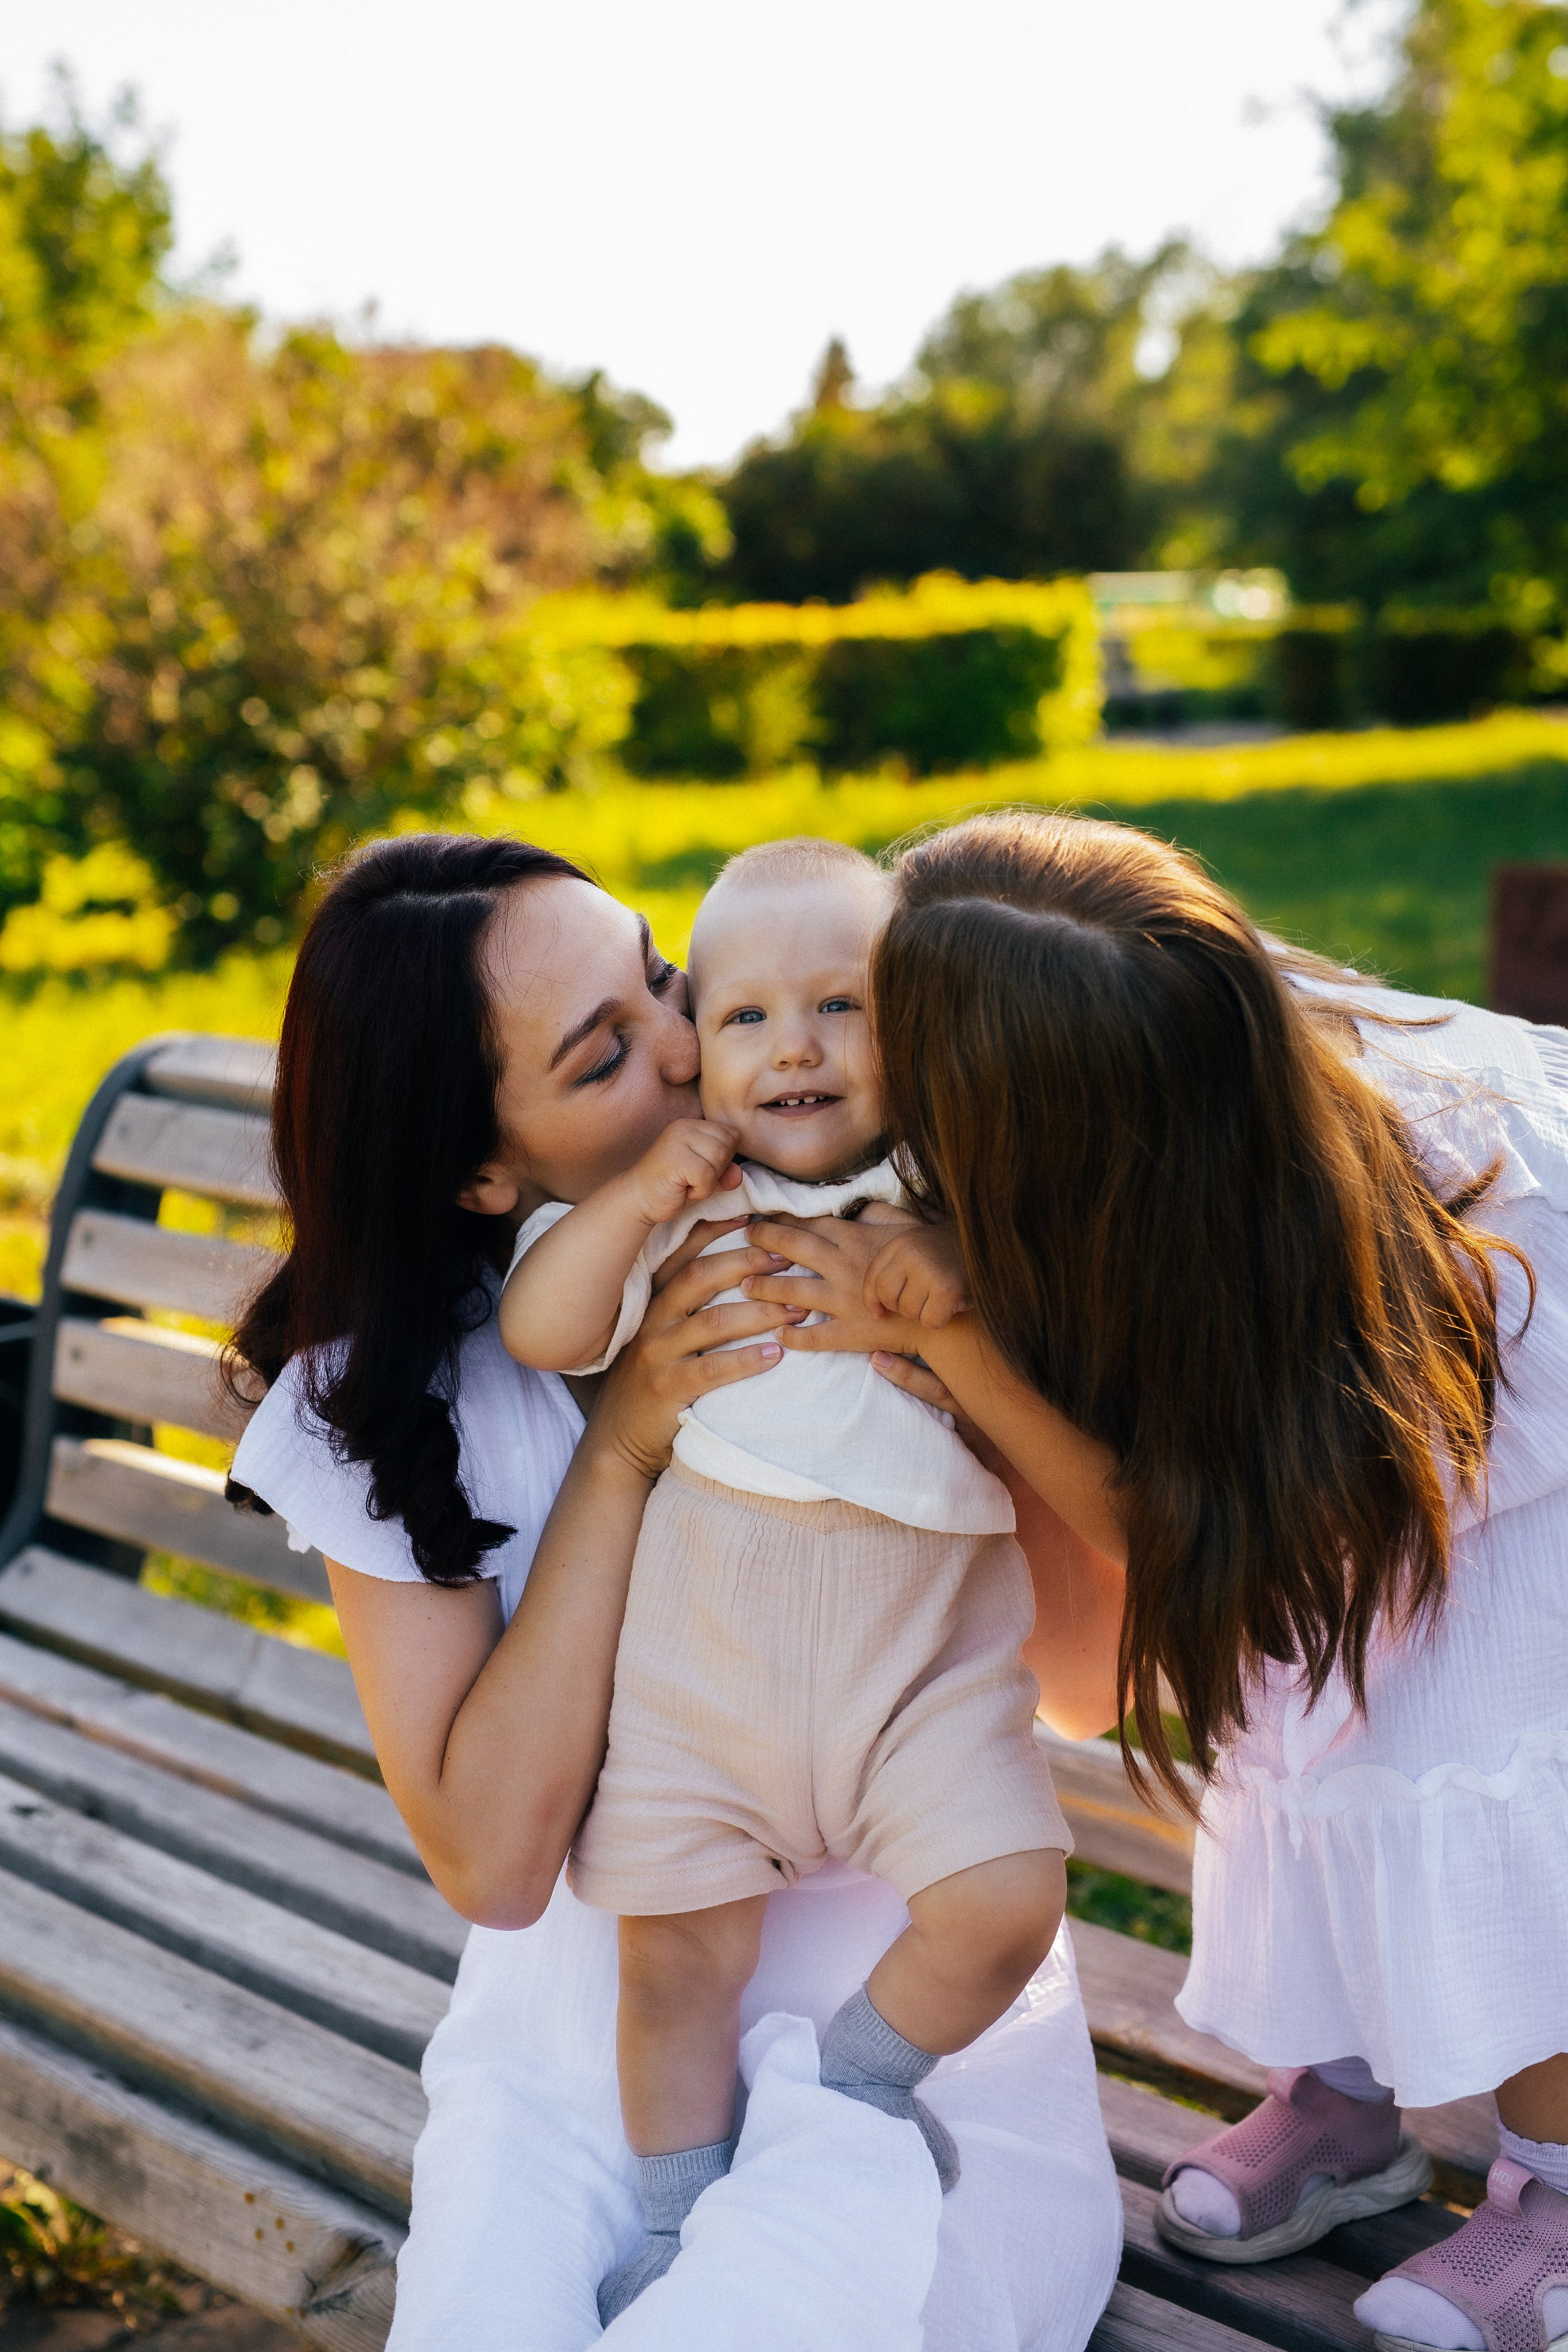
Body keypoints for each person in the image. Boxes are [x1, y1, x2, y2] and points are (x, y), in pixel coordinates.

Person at [224, 830, 1121, 2352]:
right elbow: (498, 1869)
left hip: (914, 2019)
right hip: (599, 2034)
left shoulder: (892, 1239)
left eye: (662, 984)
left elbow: (1092, 1686)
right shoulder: (396, 1400)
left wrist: (952, 1358)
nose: (701, 1050)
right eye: (605, 1057)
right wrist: (628, 1440)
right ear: (481, 1169)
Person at [742, 810, 1568, 2352]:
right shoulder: (1155, 1111)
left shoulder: (1437, 1241)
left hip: (1508, 1487)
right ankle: (1347, 2089)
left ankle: (1556, 2174)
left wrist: (952, 1344)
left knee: (1479, 1770)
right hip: (1314, 1466)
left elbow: (1205, 1546)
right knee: (1302, 1735)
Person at [499, 836, 1070, 2320]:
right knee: (672, 1965)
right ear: (702, 1050)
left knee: (1006, 1902)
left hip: (920, 1675)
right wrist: (632, 1206)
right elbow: (545, 1334)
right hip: (704, 1678)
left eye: (842, 1008)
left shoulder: (953, 1192)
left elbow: (1056, 1334)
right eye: (746, 1017)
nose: (794, 1047)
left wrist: (953, 1269)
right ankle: (683, 2221)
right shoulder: (679, 1201)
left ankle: (856, 2090)